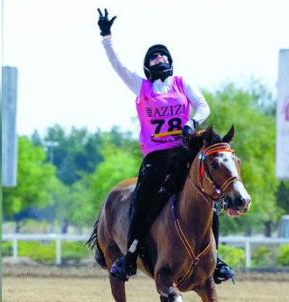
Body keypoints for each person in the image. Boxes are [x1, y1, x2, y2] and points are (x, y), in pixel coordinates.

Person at [97, 8, 235, 284]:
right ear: (148, 65)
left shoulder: (183, 83)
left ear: (170, 62)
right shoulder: (142, 87)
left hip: (183, 153)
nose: (159, 58)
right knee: (142, 201)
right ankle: (130, 257)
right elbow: (118, 66)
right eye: (153, 56)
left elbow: (203, 106)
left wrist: (192, 123)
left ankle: (215, 258)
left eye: (163, 56)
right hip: (155, 157)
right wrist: (106, 37)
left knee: (209, 200)